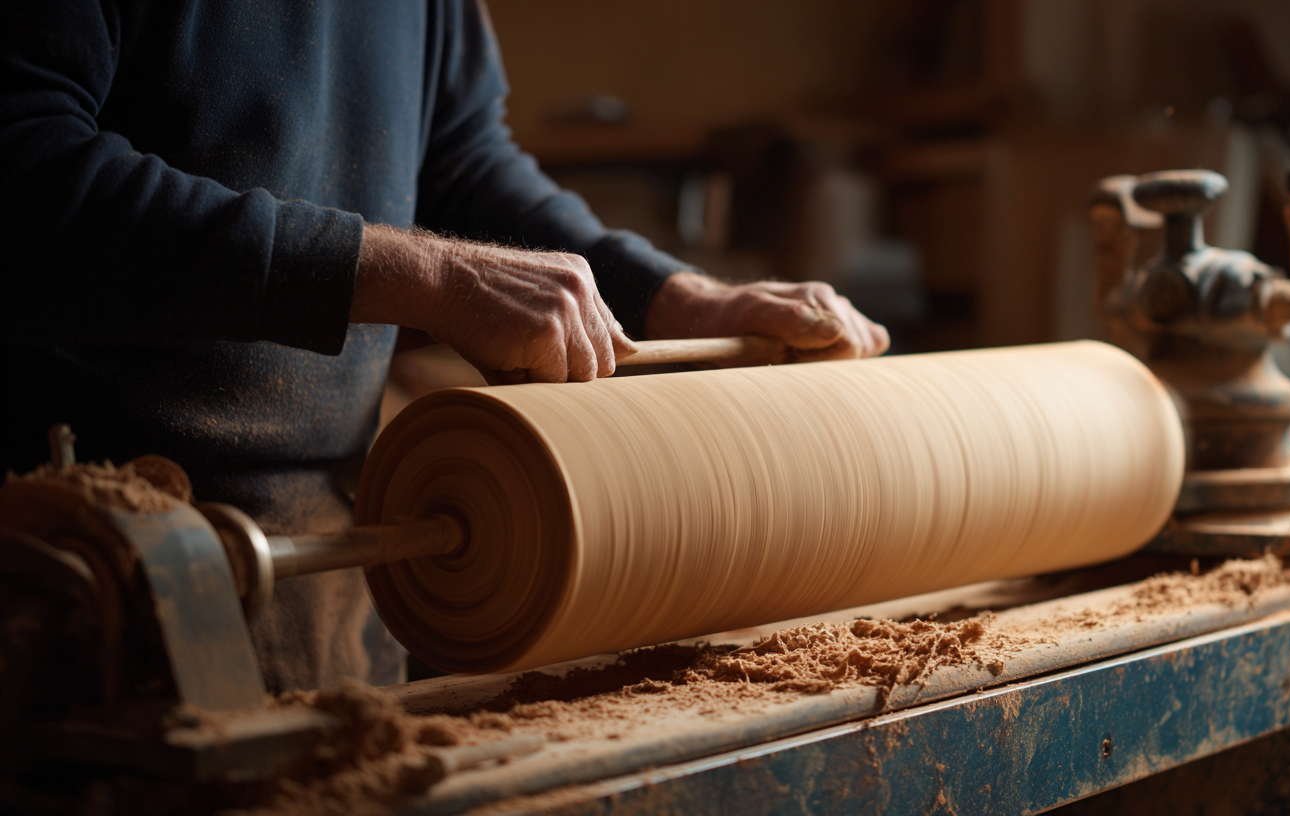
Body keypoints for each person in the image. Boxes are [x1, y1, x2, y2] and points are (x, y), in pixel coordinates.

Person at [0, 1, 889, 690]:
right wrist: (423, 275)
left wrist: (668, 296)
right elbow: (27, 166)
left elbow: (462, 161)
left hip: (340, 553)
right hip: (72, 550)